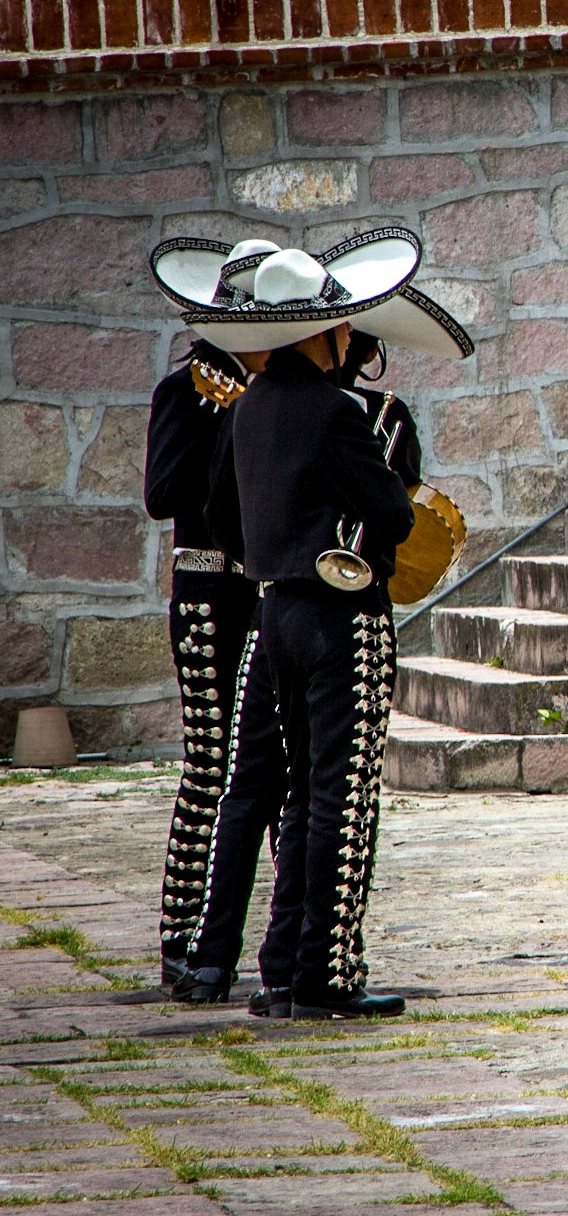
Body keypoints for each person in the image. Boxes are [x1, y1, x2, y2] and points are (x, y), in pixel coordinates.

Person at [186, 236, 421, 1020]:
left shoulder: (247, 411)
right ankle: (327, 975)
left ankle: (282, 969)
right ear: (317, 334)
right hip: (337, 618)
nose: (352, 337)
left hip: (271, 612)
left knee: (291, 796)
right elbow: (393, 512)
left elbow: (220, 516)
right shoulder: (334, 413)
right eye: (342, 325)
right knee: (340, 796)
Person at [144, 237, 280, 990]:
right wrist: (224, 428)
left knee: (280, 771)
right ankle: (181, 933)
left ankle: (291, 934)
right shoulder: (182, 393)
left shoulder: (277, 391)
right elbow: (163, 495)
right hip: (205, 596)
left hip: (265, 594)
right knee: (208, 765)